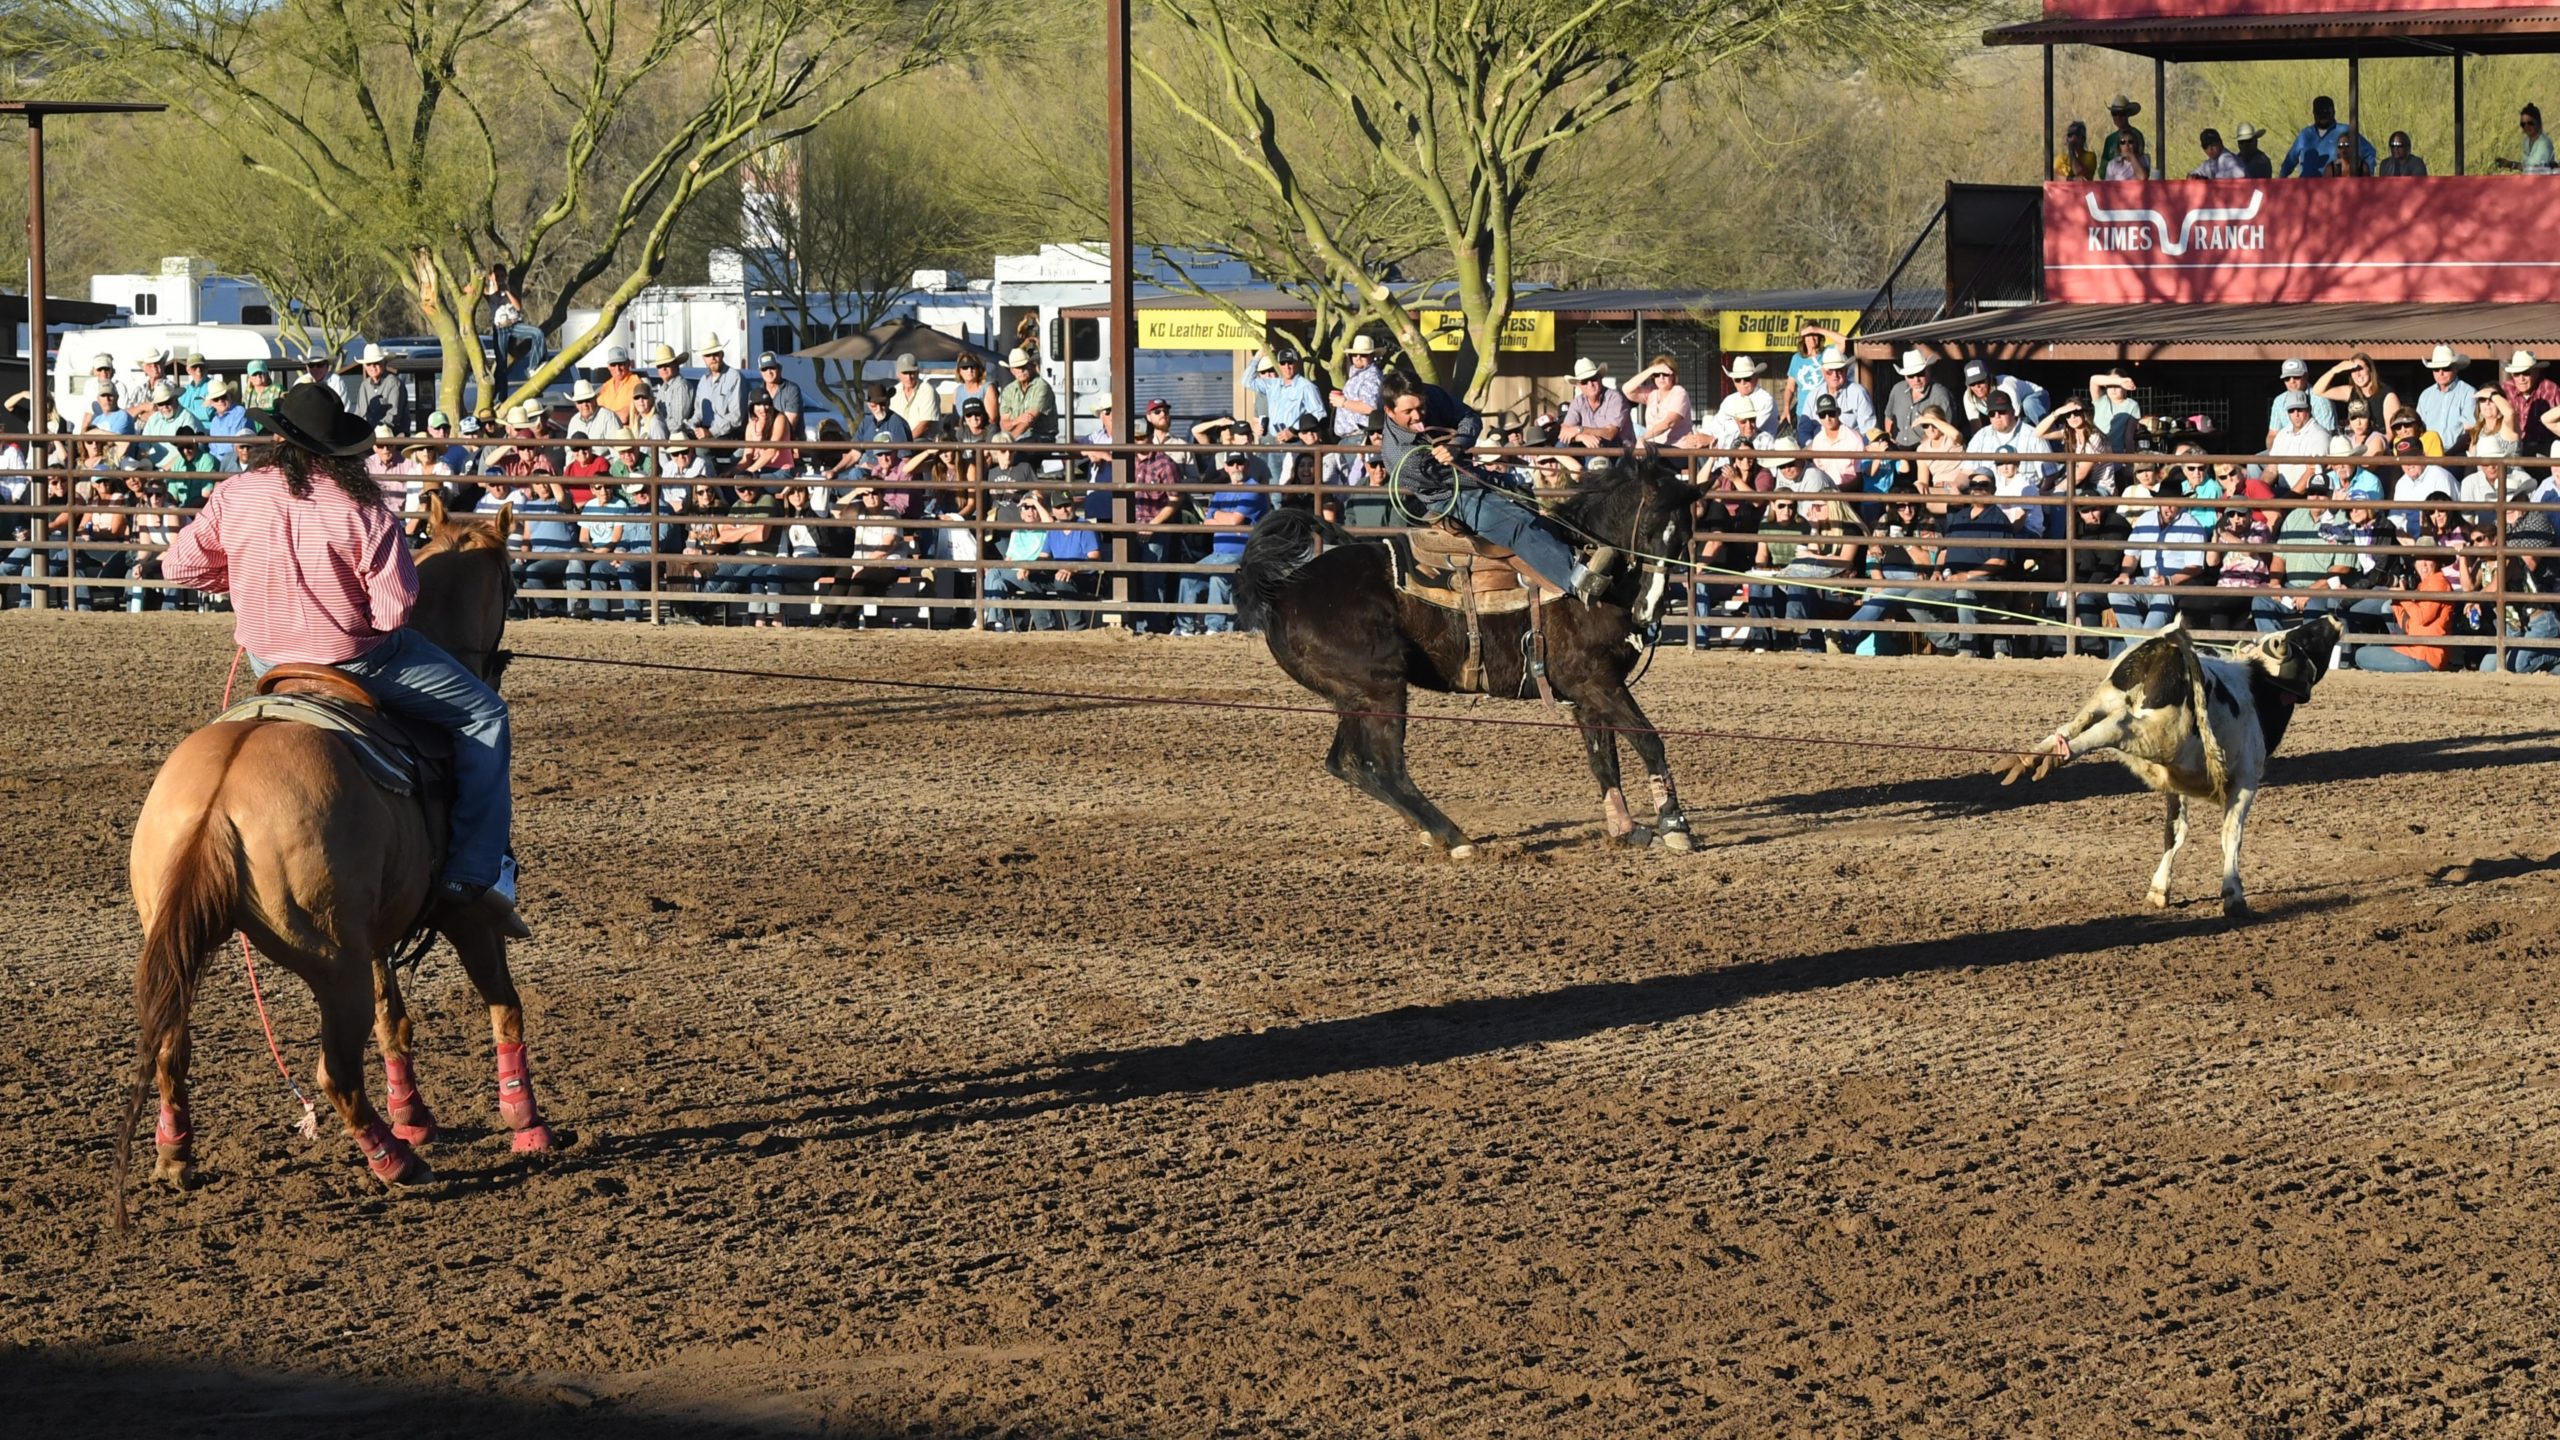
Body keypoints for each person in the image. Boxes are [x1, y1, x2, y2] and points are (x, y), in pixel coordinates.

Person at [155, 383, 525, 935]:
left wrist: (249, 578)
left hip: (269, 662)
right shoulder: (363, 507)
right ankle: (476, 871)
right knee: (483, 715)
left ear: (280, 441)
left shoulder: (236, 494)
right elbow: (394, 610)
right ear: (341, 451)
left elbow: (178, 568)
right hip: (356, 659)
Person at [1378, 374, 1602, 599]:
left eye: (1420, 407)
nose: (1418, 416)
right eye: (1408, 412)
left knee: (1539, 514)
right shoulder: (1399, 455)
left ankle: (1578, 557)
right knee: (1515, 525)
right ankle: (1579, 583)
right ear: (1389, 411)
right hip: (1448, 496)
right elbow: (1456, 478)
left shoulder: (1432, 395)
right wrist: (1499, 482)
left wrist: (1457, 444)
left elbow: (1470, 417)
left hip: (1468, 474)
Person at [2281, 95, 2375, 178]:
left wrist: (2365, 178)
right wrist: (2280, 181)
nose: (2323, 117)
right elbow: (2289, 161)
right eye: (2319, 113)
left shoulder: (2345, 131)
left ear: (2333, 112)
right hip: (2307, 190)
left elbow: (2369, 152)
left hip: (2335, 191)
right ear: (2314, 113)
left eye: (2326, 113)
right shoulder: (2305, 134)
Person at [1882, 350, 1956, 449]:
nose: (1916, 380)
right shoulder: (1897, 389)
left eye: (1920, 373)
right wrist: (1890, 439)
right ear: (1905, 376)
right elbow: (1889, 417)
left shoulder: (1940, 395)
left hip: (1926, 452)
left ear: (1928, 370)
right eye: (1911, 376)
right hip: (1897, 450)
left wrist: (1924, 448)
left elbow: (1945, 428)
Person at [2415, 345, 2479, 453]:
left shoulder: (2468, 393)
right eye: (2436, 369)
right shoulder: (2426, 395)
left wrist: (2449, 456)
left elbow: (2470, 432)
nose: (2440, 373)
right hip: (2428, 452)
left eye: (2446, 368)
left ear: (2455, 368)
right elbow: (2418, 428)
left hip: (2458, 453)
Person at [1556, 357, 1630, 447]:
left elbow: (1610, 434)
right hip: (1591, 446)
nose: (1590, 384)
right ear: (1579, 386)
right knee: (1561, 445)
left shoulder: (1614, 398)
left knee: (1594, 448)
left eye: (1593, 378)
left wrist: (1580, 430)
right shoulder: (1578, 402)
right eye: (1584, 381)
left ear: (1600, 378)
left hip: (1618, 449)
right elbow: (1564, 430)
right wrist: (1581, 436)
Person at [1622, 354, 1694, 447]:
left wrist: (1643, 438)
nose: (1661, 378)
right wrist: (1651, 370)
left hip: (1677, 450)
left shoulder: (1679, 392)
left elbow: (1669, 422)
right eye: (1657, 374)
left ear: (1673, 376)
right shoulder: (1652, 392)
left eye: (1665, 374)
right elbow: (1626, 389)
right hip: (1653, 449)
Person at [889, 352, 943, 440]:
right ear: (898, 374)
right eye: (905, 373)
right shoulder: (893, 392)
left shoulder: (927, 390)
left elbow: (925, 425)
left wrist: (905, 442)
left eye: (912, 373)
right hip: (899, 442)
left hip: (924, 440)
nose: (909, 377)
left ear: (917, 372)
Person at [2493, 103, 2556, 175]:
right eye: (2523, 124)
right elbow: (2526, 167)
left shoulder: (2544, 143)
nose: (2526, 126)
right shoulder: (2527, 141)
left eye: (2530, 123)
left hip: (2542, 182)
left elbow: (2536, 169)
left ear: (2538, 122)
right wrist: (2510, 164)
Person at [2100, 95, 2149, 176]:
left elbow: (2141, 161)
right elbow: (2102, 171)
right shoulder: (2109, 139)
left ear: (2128, 114)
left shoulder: (2137, 135)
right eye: (2114, 113)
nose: (2118, 117)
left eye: (2122, 113)